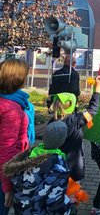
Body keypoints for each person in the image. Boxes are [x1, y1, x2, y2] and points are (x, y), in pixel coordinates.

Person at [3, 121, 71, 214]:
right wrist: (69, 205)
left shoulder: (26, 156)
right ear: (62, 141)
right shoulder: (58, 167)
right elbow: (55, 204)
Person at [49, 76, 100, 181]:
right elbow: (93, 110)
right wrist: (98, 88)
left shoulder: (51, 122)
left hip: (55, 169)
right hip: (72, 170)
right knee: (72, 196)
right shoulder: (75, 120)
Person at [0, 59, 33, 214]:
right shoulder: (11, 108)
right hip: (2, 175)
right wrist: (7, 187)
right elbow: (5, 149)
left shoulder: (7, 101)